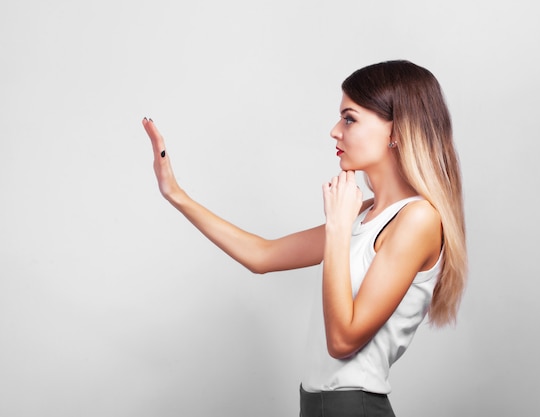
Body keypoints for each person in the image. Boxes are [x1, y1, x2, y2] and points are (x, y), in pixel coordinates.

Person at [142, 60, 467, 417]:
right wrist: (176, 194)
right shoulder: (365, 214)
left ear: (397, 131)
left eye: (349, 118)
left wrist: (338, 229)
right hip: (316, 406)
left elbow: (343, 340)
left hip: (352, 407)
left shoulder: (418, 218)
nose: (334, 131)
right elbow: (261, 256)